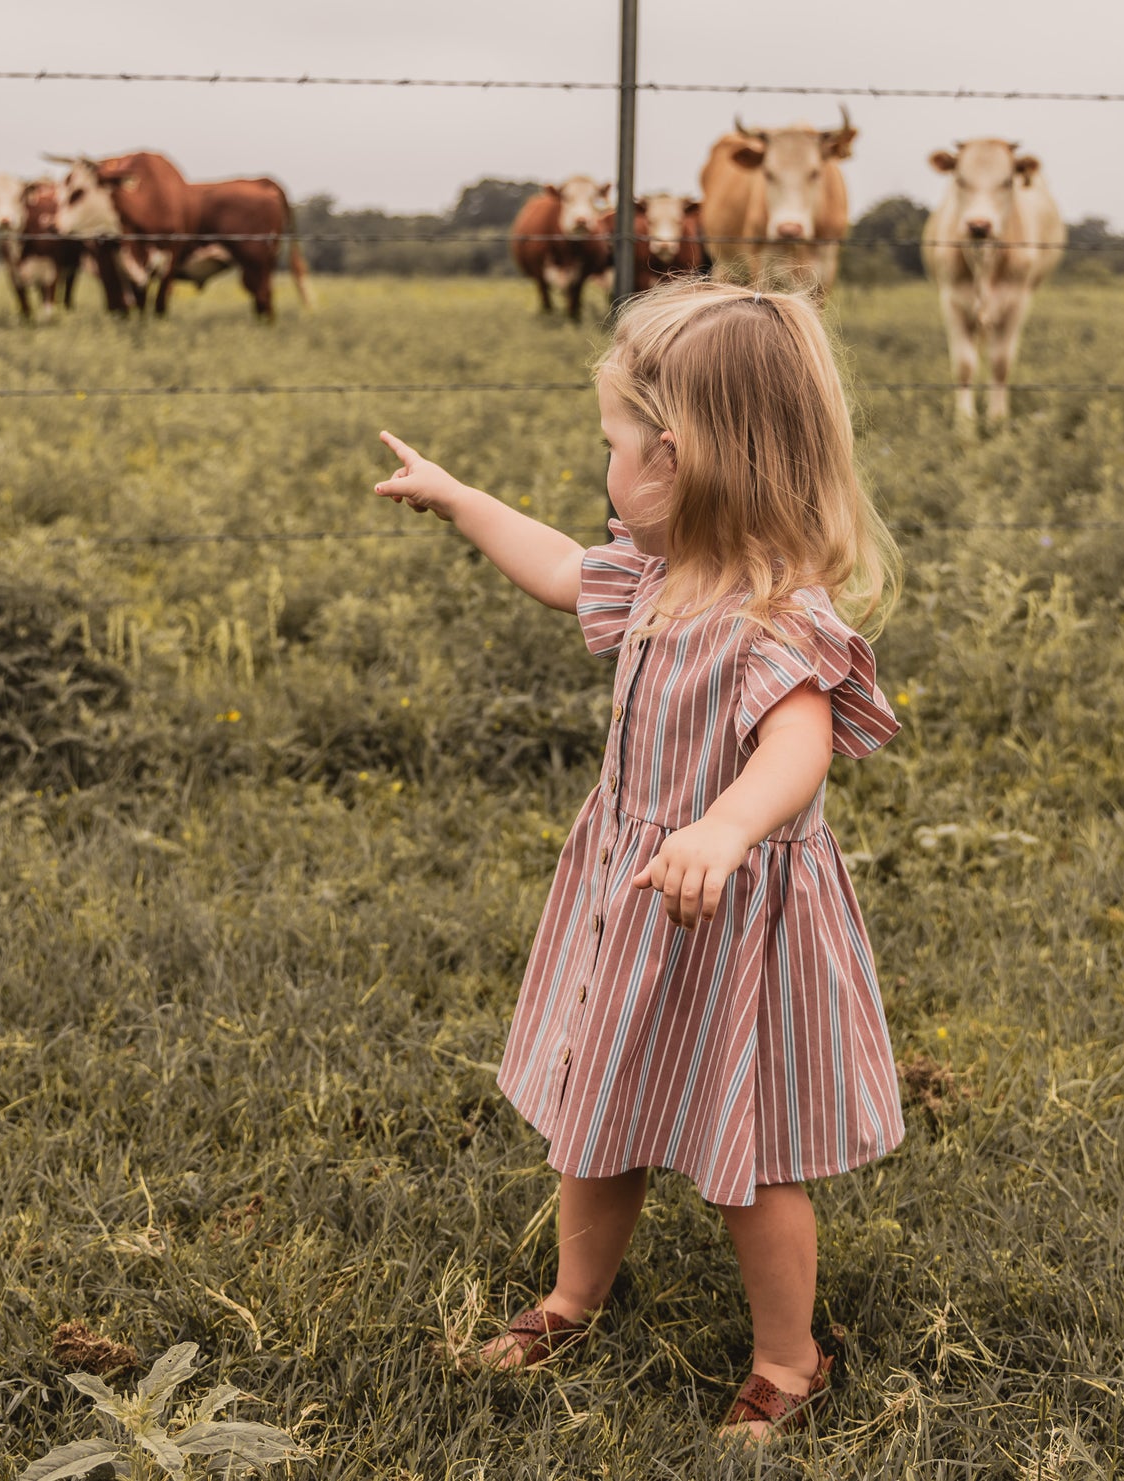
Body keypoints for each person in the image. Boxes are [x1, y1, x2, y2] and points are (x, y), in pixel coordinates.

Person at [372, 278, 904, 1443]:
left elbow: (797, 748)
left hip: (732, 918)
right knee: (597, 1105)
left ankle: (788, 1357)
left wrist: (720, 828)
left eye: (609, 445)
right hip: (633, 900)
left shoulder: (777, 617)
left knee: (746, 1158)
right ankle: (572, 1296)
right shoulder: (657, 574)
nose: (602, 470)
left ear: (672, 456)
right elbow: (560, 566)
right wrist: (461, 499)